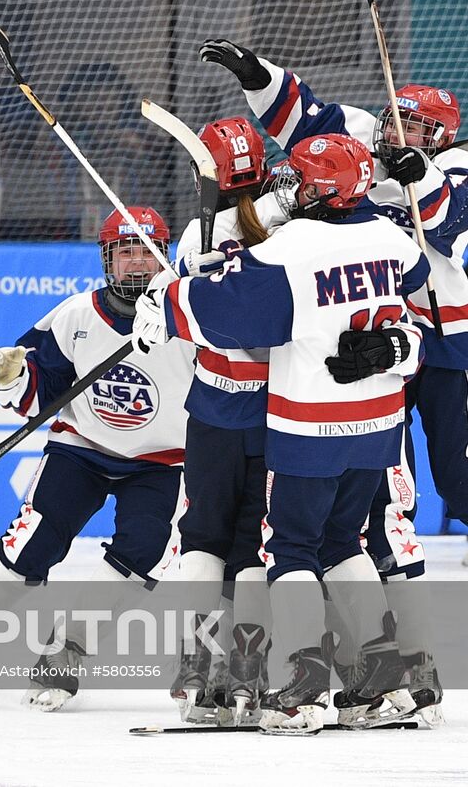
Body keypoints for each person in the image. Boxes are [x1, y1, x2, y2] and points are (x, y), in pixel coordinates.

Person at [134, 133, 428, 735]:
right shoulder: (389, 235)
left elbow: (225, 311)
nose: (287, 186)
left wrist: (163, 305)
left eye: (298, 178)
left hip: (303, 423)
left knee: (284, 549)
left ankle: (299, 685)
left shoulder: (291, 245)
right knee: (345, 542)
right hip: (377, 420)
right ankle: (381, 676)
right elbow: (414, 278)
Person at [202, 39, 451, 724]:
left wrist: (424, 179)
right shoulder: (374, 194)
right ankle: (387, 674)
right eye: (403, 119)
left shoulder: (302, 240)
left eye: (425, 126)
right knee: (354, 537)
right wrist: (261, 78)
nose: (409, 133)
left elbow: (450, 230)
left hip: (335, 408)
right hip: (382, 400)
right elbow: (306, 116)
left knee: (320, 540)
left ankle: (329, 677)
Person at [0, 207, 195, 711]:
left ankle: (66, 652)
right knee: (28, 547)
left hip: (164, 462)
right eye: (124, 252)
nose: (137, 263)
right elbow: (37, 391)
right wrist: (10, 380)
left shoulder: (192, 315)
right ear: (107, 260)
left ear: (165, 256)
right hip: (82, 447)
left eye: (146, 252)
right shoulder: (76, 315)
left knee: (143, 555)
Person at [167, 116, 287, 725]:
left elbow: (186, 315)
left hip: (215, 408)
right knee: (254, 542)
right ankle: (246, 670)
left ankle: (197, 665)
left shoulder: (194, 236)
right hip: (279, 412)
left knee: (203, 535)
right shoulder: (295, 225)